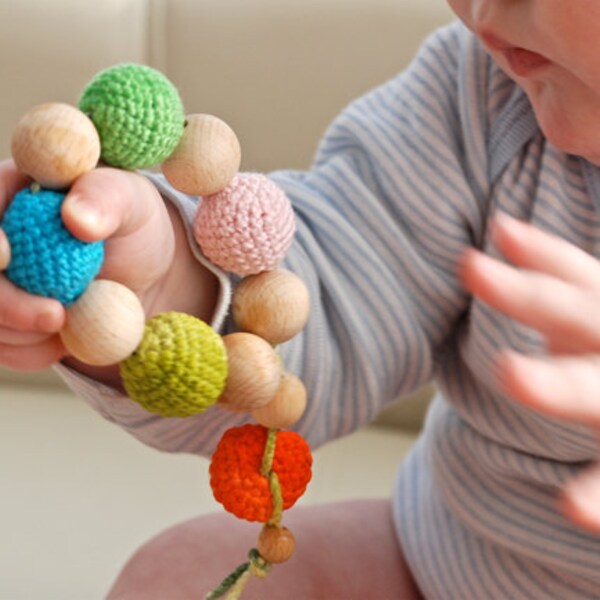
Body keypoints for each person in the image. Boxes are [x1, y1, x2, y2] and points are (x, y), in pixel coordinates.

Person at [2, 0, 600, 597]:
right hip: (460, 555)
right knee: (180, 572)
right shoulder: (490, 90)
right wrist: (166, 287)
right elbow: (339, 301)